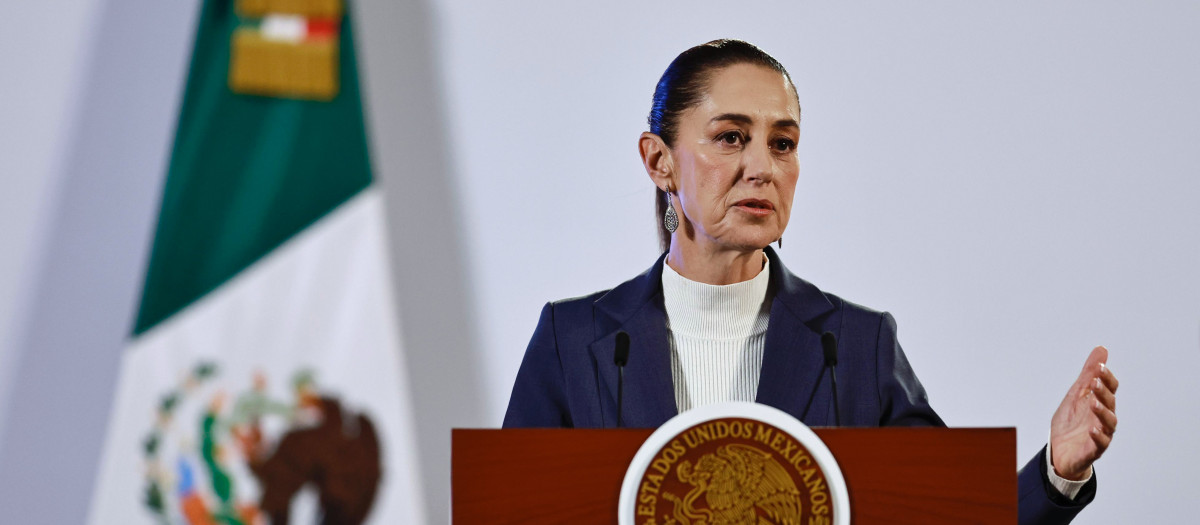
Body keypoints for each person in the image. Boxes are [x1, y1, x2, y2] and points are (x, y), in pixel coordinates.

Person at [502, 39, 1118, 525]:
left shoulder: (855, 344)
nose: (762, 168)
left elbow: (947, 517)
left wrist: (1056, 473)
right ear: (659, 160)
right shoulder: (572, 339)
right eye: (731, 138)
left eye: (784, 143)